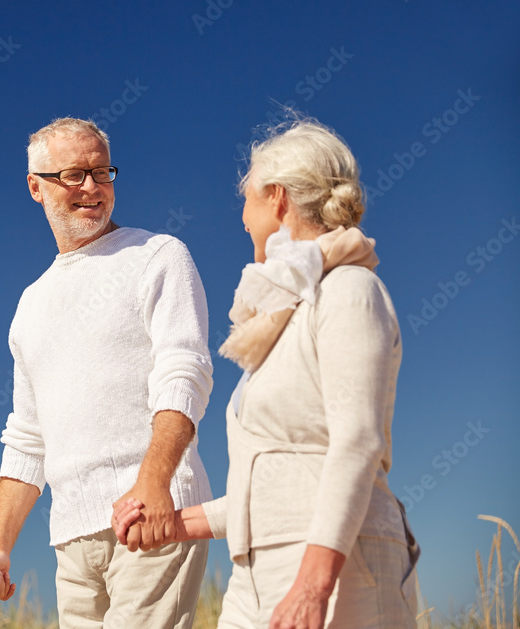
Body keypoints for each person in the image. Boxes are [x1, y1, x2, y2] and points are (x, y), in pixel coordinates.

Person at [113, 116, 421, 628]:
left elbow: (357, 443)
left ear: (276, 199)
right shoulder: (281, 319)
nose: (242, 217)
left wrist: (312, 585)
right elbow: (271, 490)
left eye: (247, 199)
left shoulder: (348, 290)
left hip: (343, 569)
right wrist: (174, 524)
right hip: (255, 574)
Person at [0, 117, 215, 627]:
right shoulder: (30, 305)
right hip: (72, 538)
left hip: (152, 515)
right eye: (75, 175)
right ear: (36, 187)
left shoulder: (158, 255)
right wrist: (0, 547)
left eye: (102, 173)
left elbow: (184, 372)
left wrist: (153, 486)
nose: (93, 188)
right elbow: (27, 436)